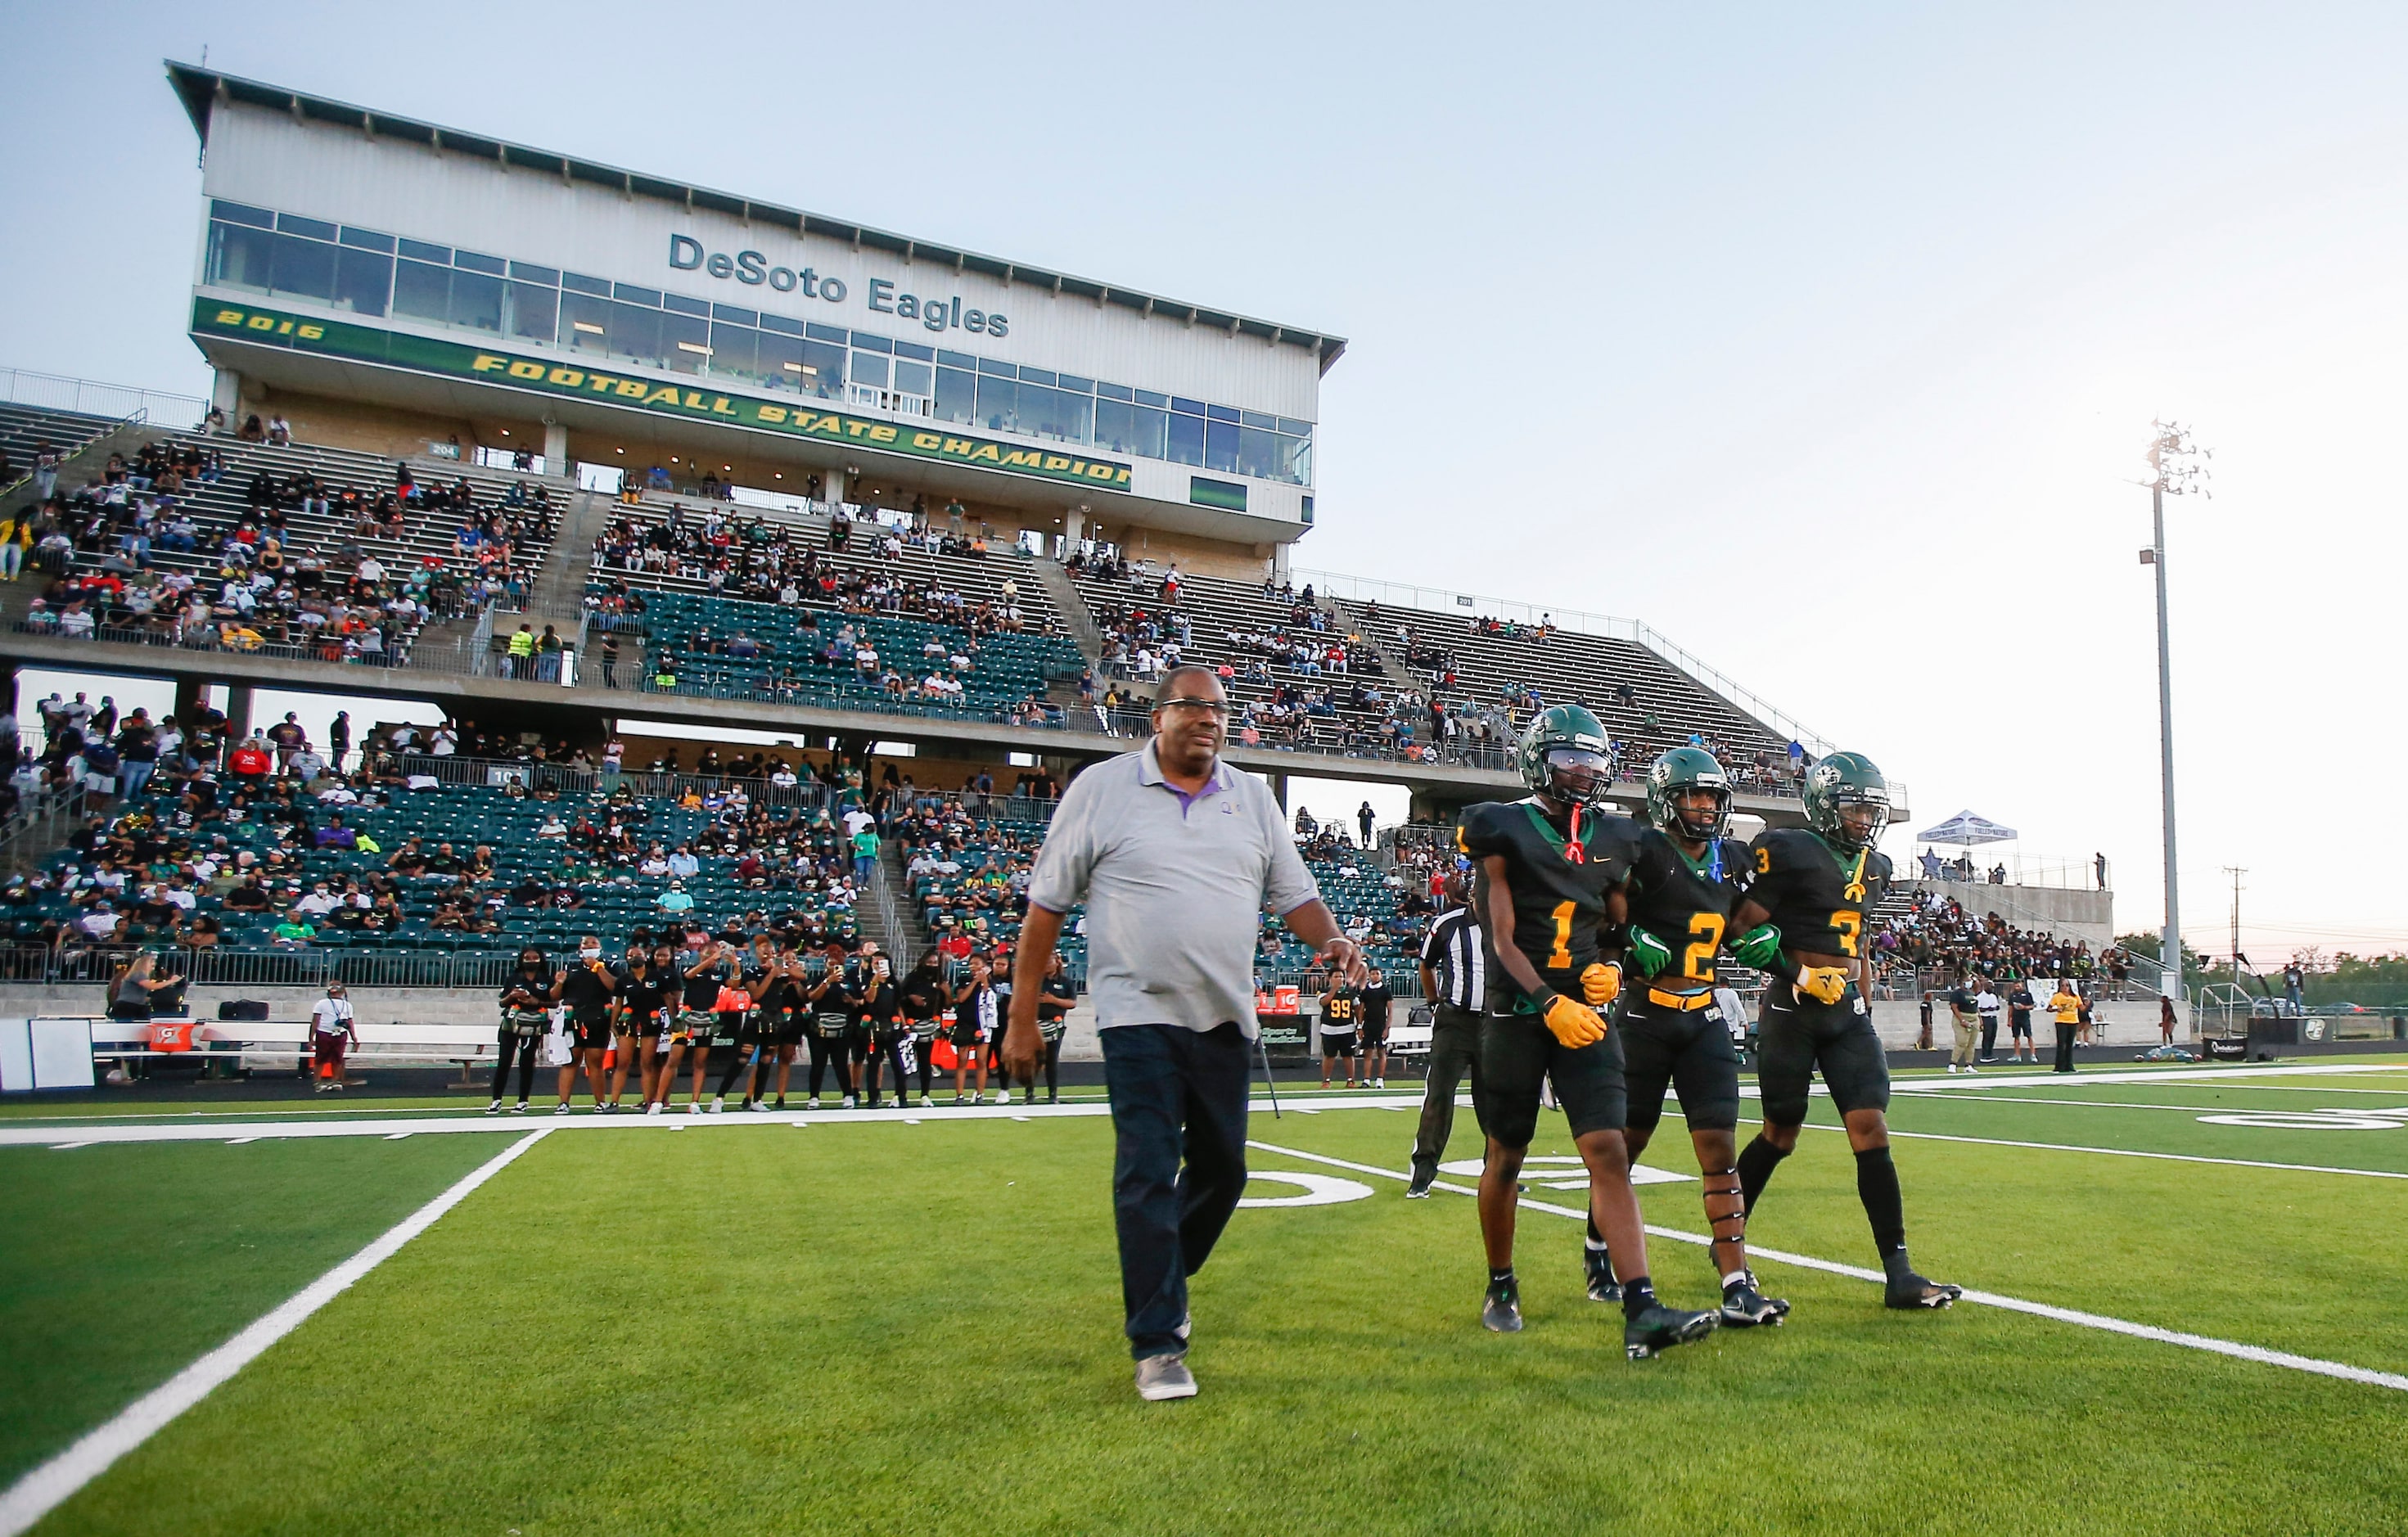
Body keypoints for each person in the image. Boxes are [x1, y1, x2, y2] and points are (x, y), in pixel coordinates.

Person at [1000, 664, 1363, 1403]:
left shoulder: (1253, 797)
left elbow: (1296, 897)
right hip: (1137, 1012)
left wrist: (1329, 941)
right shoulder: (1101, 790)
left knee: (1226, 1171)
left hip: (1226, 1015)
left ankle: (1163, 1272)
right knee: (1145, 1170)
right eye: (1194, 706)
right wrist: (1021, 1017)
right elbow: (1045, 910)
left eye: (1221, 709)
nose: (1210, 719)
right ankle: (1158, 1343)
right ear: (1156, 717)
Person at [1456, 705, 1717, 1356]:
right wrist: (1548, 1002)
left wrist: (1613, 964)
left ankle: (1642, 1310)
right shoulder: (1501, 826)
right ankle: (1501, 1284)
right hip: (1517, 1013)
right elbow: (1502, 938)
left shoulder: (1621, 836)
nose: (1582, 772)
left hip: (1586, 1012)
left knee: (1609, 1152)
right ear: (1539, 761)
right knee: (1506, 1154)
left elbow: (1619, 925)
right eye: (1569, 759)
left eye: (1593, 761)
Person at [1728, 752, 1959, 1309]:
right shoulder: (1789, 850)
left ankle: (1899, 1272)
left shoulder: (1875, 866)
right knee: (1780, 1135)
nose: (1863, 818)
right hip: (1792, 1008)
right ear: (1825, 806)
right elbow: (1739, 930)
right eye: (1854, 806)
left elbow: (1855, 939)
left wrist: (1864, 993)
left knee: (1871, 1128)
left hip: (1845, 1014)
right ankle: (1727, 1240)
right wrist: (1798, 973)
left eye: (1870, 808)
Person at [1612, 746, 1789, 1327]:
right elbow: (1594, 913)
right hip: (1644, 1015)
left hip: (1704, 1015)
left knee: (1718, 1153)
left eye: (1713, 795)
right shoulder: (1641, 851)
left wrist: (1761, 942)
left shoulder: (1734, 858)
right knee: (1626, 1148)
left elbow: (1740, 923)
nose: (1706, 806)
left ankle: (1737, 1283)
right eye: (1694, 794)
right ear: (1667, 801)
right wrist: (1627, 936)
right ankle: (1597, 1250)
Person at [1407, 873, 1483, 1196]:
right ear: (1474, 895)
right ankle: (1423, 1171)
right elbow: (1427, 965)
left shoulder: (1511, 923)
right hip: (1455, 1021)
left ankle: (1501, 1172)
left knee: (1498, 1102)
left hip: (1497, 1023)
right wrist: (1433, 1002)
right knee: (1439, 1096)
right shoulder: (1449, 924)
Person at [552, 934, 617, 1113]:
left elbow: (614, 987)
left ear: (600, 947)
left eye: (593, 943)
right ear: (580, 949)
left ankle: (600, 1102)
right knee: (571, 1061)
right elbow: (555, 996)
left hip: (598, 1019)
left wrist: (597, 967)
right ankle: (564, 1102)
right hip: (574, 1019)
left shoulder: (610, 966)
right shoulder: (571, 968)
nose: (590, 946)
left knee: (595, 1062)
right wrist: (559, 983)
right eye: (586, 944)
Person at [615, 943, 675, 1111]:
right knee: (622, 1063)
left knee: (647, 1063)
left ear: (646, 956)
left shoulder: (656, 977)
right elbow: (618, 1004)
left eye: (639, 954)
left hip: (653, 1021)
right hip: (630, 1021)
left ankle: (648, 1101)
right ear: (626, 959)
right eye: (631, 955)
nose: (635, 957)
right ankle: (613, 1102)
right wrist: (614, 1024)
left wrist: (672, 1019)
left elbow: (669, 998)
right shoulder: (624, 979)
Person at [490, 948, 552, 1113]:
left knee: (527, 1062)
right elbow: (502, 1003)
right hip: (512, 1022)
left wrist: (536, 1001)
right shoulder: (513, 978)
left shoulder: (546, 979)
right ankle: (496, 1099)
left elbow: (554, 1003)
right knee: (504, 1061)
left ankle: (523, 1100)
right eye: (527, 958)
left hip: (534, 1023)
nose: (531, 960)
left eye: (535, 957)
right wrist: (512, 997)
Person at [805, 940, 858, 1108]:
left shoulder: (849, 980)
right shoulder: (818, 978)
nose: (834, 966)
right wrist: (828, 981)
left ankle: (848, 1095)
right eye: (831, 963)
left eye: (837, 964)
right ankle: (814, 1097)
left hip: (842, 1026)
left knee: (841, 1063)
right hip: (819, 1025)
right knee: (818, 1063)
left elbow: (858, 1003)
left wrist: (851, 1000)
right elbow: (812, 997)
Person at [950, 956, 1001, 1104]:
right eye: (971, 964)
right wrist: (974, 981)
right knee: (962, 1060)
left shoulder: (990, 981)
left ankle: (980, 1094)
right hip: (964, 1023)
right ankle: (959, 1095)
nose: (973, 967)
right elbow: (961, 998)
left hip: (982, 1025)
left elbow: (989, 997)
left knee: (981, 1061)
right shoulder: (963, 979)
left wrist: (984, 980)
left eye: (977, 964)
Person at [1032, 951, 1076, 1103]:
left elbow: (1072, 1003)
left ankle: (1053, 1094)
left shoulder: (1064, 981)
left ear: (1056, 962)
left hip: (1055, 1023)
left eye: (1048, 962)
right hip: (1036, 1023)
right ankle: (1029, 1093)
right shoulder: (1037, 980)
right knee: (1034, 1059)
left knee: (1052, 1059)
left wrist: (1053, 1000)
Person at [310, 980, 358, 1093]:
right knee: (321, 1058)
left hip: (340, 1033)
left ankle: (335, 1081)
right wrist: (312, 1037)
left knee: (338, 1058)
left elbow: (349, 1021)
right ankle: (318, 1081)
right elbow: (315, 1021)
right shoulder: (322, 1003)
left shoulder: (347, 1005)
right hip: (324, 1032)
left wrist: (354, 1036)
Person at [1318, 975, 1360, 1089]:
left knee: (1348, 1055)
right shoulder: (1324, 991)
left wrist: (1360, 1025)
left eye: (1341, 977)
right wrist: (1334, 989)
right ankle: (1326, 1080)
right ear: (1330, 978)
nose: (1339, 979)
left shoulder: (1351, 992)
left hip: (1347, 1028)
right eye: (1336, 976)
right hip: (1329, 1028)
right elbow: (1323, 1002)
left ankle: (1350, 1080)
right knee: (1329, 1055)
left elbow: (1358, 1009)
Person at [1358, 967, 1394, 1089]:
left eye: (1377, 974)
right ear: (1369, 975)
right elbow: (1361, 1009)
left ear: (1381, 976)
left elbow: (1390, 1011)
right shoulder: (1366, 992)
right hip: (1368, 1025)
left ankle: (1380, 1079)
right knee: (1368, 1052)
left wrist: (1387, 1028)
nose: (1375, 976)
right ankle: (1366, 1079)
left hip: (1380, 1025)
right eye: (1372, 974)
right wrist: (1360, 1026)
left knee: (1381, 1051)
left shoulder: (1385, 991)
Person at [2050, 980, 2084, 1073]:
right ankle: (2059, 1066)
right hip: (2061, 1021)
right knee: (2061, 1044)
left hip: (2073, 1021)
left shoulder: (2075, 996)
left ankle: (2069, 1065)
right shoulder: (2057, 996)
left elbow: (2081, 1007)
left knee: (2069, 1044)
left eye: (2067, 985)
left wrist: (2086, 1004)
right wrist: (2057, 1009)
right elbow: (2049, 1008)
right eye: (2063, 986)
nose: (2065, 987)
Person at [1945, 984, 1979, 1074]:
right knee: (1961, 1042)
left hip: (1974, 1018)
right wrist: (1962, 1020)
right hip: (1963, 1016)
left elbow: (1976, 1007)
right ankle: (1953, 1064)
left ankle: (1969, 1064)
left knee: (1971, 1043)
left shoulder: (1971, 993)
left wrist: (1980, 1019)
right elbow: (1954, 1007)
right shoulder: (1957, 993)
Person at [2006, 980, 2039, 1065]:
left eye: (2018, 985)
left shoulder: (2027, 994)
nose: (2017, 987)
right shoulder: (2012, 995)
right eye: (2015, 985)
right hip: (2015, 1018)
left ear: (2022, 985)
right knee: (2016, 1037)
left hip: (2024, 1017)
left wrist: (2024, 1007)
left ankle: (2033, 1055)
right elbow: (2010, 1008)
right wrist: (2009, 1019)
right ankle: (2017, 1055)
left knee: (2029, 1036)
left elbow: (2032, 1006)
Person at [1975, 983, 2001, 1064]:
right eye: (1990, 987)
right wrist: (1988, 1009)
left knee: (1993, 1036)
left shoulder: (1993, 996)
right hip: (1986, 1018)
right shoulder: (1980, 997)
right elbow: (1978, 1009)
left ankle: (1990, 1054)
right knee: (1987, 1036)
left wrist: (1995, 1008)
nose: (1992, 989)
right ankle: (1985, 1055)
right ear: (1985, 987)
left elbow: (1997, 1006)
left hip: (1993, 1017)